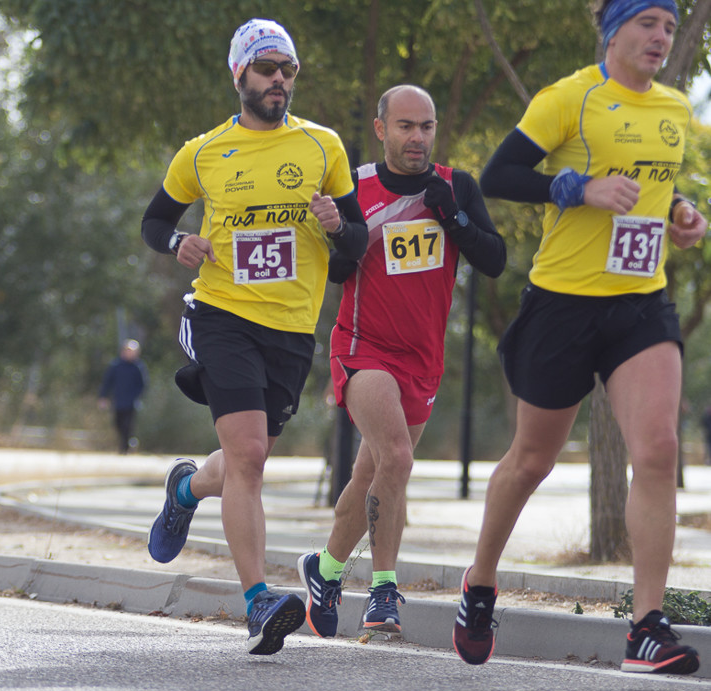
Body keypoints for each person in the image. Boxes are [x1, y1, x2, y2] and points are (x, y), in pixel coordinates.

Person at [453, 0, 705, 675]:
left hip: (640, 301)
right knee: (532, 460)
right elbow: (499, 176)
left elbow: (656, 187)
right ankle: (480, 582)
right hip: (563, 303)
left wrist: (681, 212)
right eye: (648, 23)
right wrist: (577, 188)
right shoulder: (570, 97)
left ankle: (646, 627)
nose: (661, 37)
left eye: (670, 27)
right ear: (614, 30)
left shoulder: (675, 108)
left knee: (657, 450)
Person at [140, 18, 367, 655]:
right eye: (266, 69)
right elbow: (154, 221)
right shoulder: (204, 152)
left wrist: (337, 225)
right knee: (248, 457)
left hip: (291, 329)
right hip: (223, 314)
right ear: (240, 75)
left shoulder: (323, 147)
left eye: (287, 70)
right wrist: (178, 242)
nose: (278, 80)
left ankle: (185, 488)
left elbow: (356, 244)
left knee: (249, 458)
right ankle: (258, 601)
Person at [295, 85, 507, 639]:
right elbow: (337, 272)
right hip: (363, 348)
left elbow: (495, 260)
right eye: (406, 126)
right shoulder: (355, 186)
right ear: (381, 129)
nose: (417, 137)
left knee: (374, 473)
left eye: (426, 126)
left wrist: (453, 217)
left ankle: (326, 569)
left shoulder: (456, 186)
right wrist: (338, 231)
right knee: (397, 457)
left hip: (423, 359)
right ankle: (383, 588)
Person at [97, 339, 148, 454]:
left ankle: (125, 448)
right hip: (118, 401)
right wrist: (103, 397)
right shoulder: (115, 366)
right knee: (118, 424)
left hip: (131, 403)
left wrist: (137, 397)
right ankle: (128, 443)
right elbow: (107, 382)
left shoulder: (138, 367)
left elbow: (143, 385)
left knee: (128, 425)